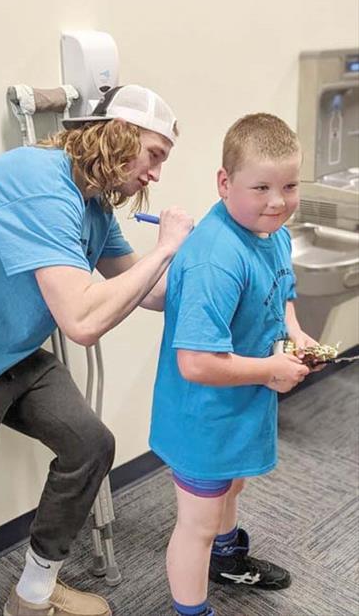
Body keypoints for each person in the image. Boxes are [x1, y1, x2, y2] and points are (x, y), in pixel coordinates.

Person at [0, 84, 193, 616]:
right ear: (119, 135)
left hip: (8, 356)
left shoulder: (92, 204)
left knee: (89, 445)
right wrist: (166, 246)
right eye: (154, 155)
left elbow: (143, 288)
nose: (155, 175)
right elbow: (81, 321)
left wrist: (212, 267)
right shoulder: (35, 183)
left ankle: (31, 597)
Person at [148, 113, 322, 616]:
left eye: (289, 186)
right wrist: (271, 371)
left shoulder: (274, 233)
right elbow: (197, 363)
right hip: (203, 414)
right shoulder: (216, 258)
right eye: (261, 187)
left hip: (242, 402)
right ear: (224, 183)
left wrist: (294, 332)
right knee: (196, 526)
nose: (277, 201)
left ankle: (226, 559)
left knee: (233, 485)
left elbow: (281, 292)